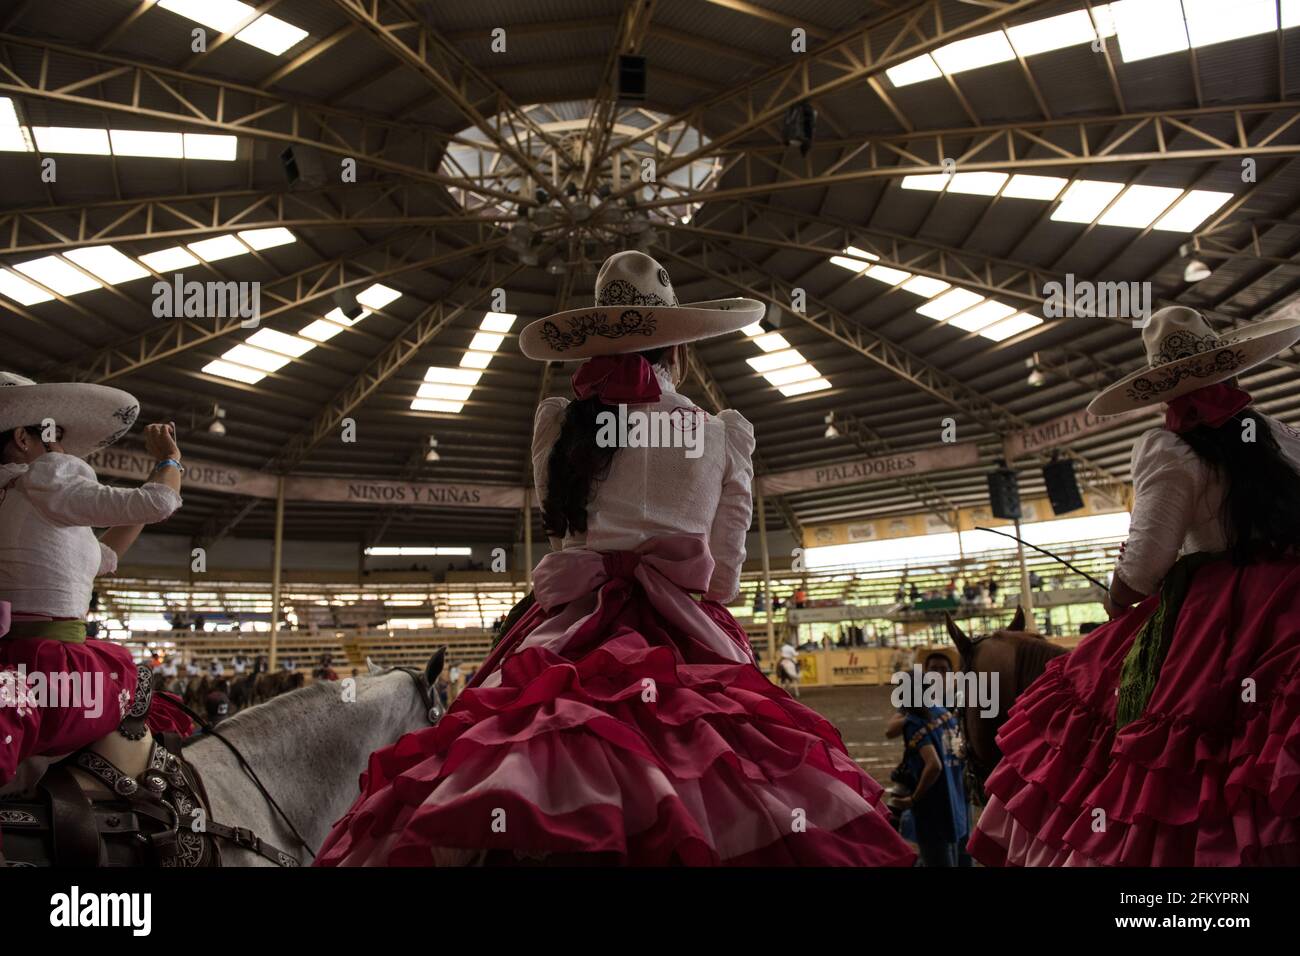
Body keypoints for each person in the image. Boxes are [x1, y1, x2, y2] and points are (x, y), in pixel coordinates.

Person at [314, 251, 914, 867]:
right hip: (684, 633)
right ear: (677, 351)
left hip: (565, 631)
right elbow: (725, 581)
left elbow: (562, 545)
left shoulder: (558, 427)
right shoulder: (723, 434)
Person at [970, 305, 1300, 866]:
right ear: (1231, 371)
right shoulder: (1277, 434)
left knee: (1151, 744)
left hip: (1220, 619)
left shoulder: (1170, 449)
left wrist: (1115, 594)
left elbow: (1146, 567)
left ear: (1162, 391)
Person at [0, 371, 190, 788]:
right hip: (52, 666)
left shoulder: (17, 496)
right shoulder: (46, 477)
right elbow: (159, 503)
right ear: (23, 437)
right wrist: (168, 461)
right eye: (56, 437)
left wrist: (152, 486)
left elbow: (104, 556)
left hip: (14, 659)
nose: (63, 448)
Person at [891, 646, 969, 867]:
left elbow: (933, 765)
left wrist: (913, 799)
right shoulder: (946, 713)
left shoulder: (917, 719)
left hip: (934, 803)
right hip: (955, 798)